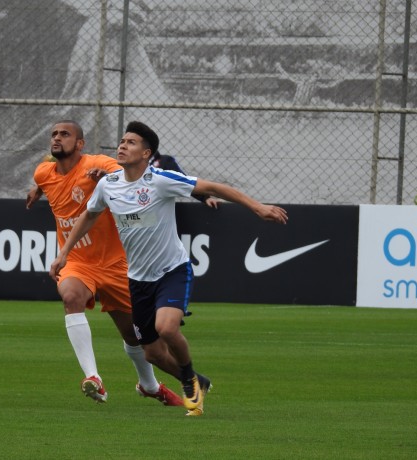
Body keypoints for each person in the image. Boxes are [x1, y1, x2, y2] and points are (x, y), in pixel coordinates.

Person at [50, 121, 288, 416]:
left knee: (166, 327)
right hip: (138, 280)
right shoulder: (108, 185)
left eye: (131, 142)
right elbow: (90, 215)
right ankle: (195, 380)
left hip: (172, 272)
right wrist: (64, 253)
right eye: (122, 141)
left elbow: (213, 187)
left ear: (146, 153)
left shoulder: (160, 180)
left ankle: (188, 381)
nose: (122, 146)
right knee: (151, 352)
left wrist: (258, 208)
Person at [26, 120, 182, 406]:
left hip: (116, 263)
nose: (57, 138)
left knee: (135, 336)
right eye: (53, 135)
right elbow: (45, 171)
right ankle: (93, 377)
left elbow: (128, 173)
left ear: (81, 144)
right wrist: (38, 188)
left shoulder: (98, 162)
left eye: (65, 134)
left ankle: (149, 385)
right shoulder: (43, 172)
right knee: (71, 295)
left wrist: (106, 176)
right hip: (77, 261)